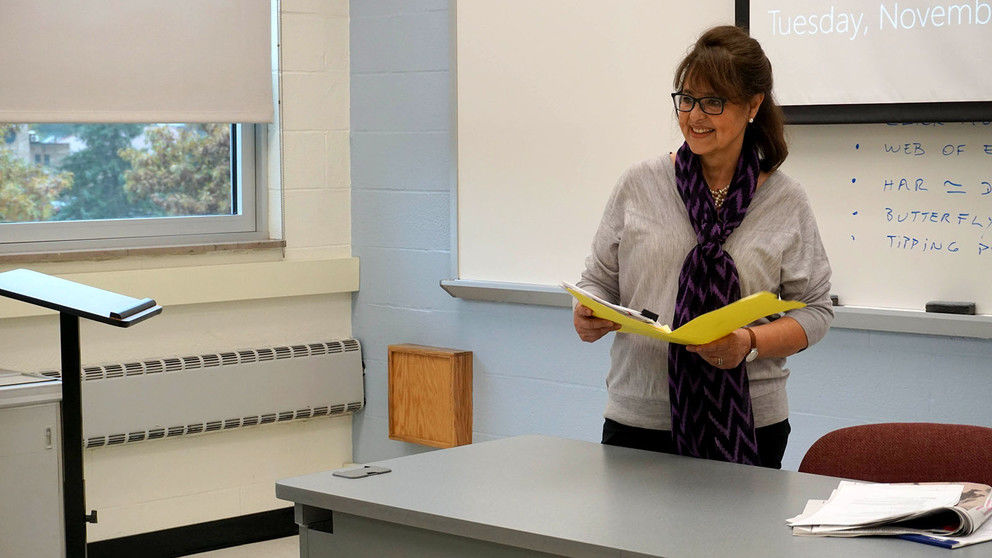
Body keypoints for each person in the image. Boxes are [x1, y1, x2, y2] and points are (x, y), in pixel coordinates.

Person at [572, 25, 833, 469]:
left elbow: (816, 311)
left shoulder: (785, 199)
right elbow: (597, 283)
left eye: (714, 102)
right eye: (687, 99)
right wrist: (587, 314)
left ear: (753, 105)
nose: (694, 116)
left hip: (751, 424)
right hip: (641, 421)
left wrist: (748, 342)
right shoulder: (639, 183)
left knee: (737, 540)